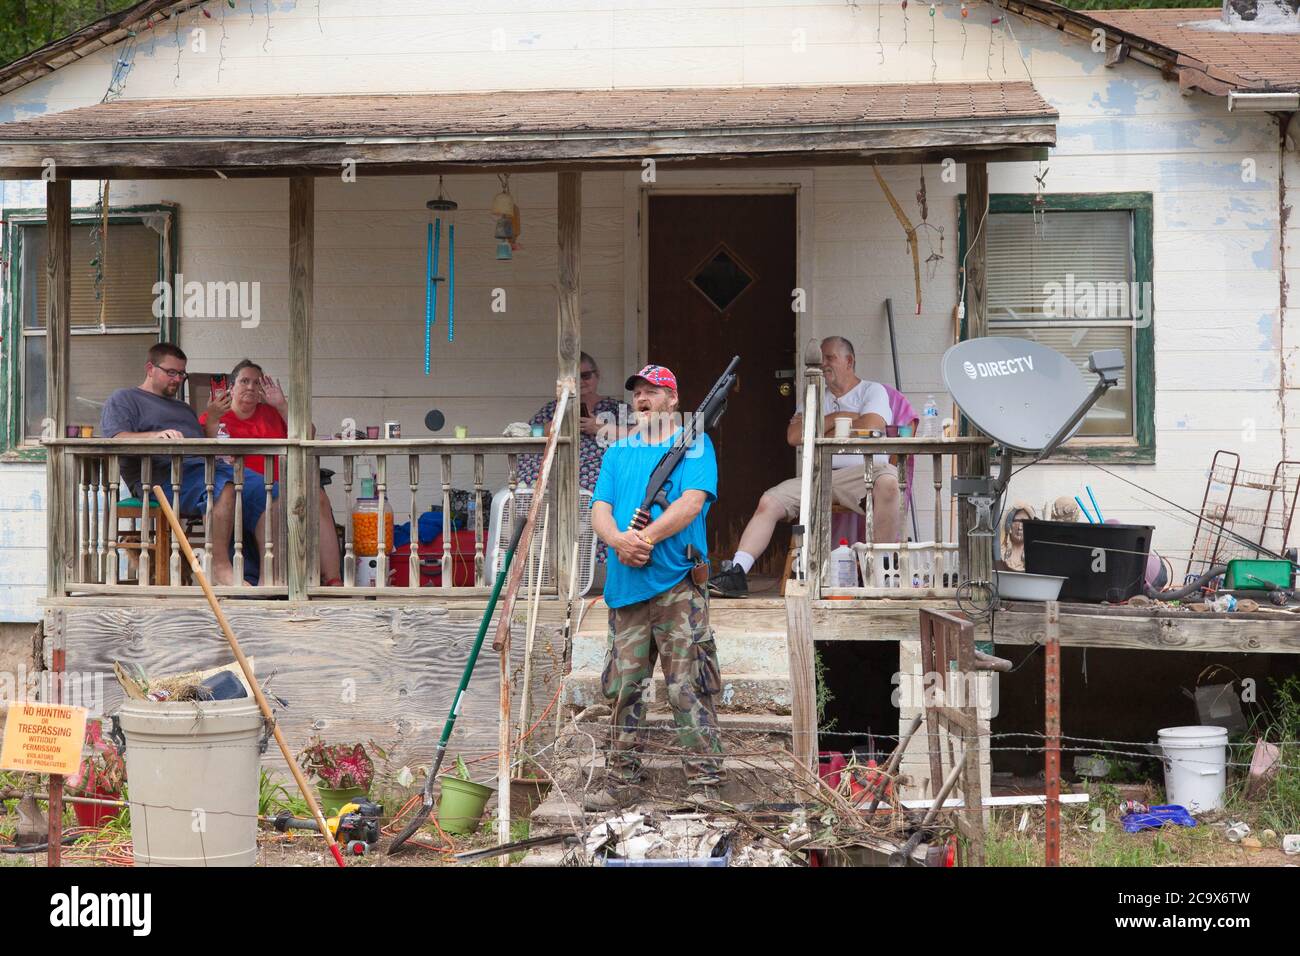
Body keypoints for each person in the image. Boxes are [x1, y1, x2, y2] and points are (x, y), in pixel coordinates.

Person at [586, 364, 724, 809]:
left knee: (687, 685)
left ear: (673, 399)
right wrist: (618, 540)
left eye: (653, 391)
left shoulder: (696, 447)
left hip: (677, 584)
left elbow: (691, 504)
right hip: (627, 586)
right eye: (638, 392)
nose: (642, 398)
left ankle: (705, 784)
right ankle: (622, 780)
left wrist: (644, 538)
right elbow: (598, 510)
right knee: (627, 688)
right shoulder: (616, 453)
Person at [709, 335, 899, 598]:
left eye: (830, 358)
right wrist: (841, 417)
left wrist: (820, 426)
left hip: (863, 474)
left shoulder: (872, 390)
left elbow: (871, 425)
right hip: (819, 474)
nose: (823, 364)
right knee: (769, 501)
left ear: (849, 361)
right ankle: (737, 573)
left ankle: (882, 572)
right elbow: (795, 436)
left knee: (889, 483)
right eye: (821, 359)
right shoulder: (814, 394)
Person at [100, 343, 267, 587]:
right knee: (224, 485)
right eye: (171, 372)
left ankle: (264, 577)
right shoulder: (125, 399)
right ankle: (220, 568)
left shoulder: (184, 408)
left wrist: (214, 425)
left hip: (201, 469)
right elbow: (115, 439)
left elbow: (203, 444)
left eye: (181, 374)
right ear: (150, 368)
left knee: (263, 487)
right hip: (161, 477)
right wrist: (154, 436)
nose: (177, 379)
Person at [198, 359, 343, 586]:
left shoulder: (271, 413)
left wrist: (282, 405)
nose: (251, 387)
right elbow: (207, 447)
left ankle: (333, 579)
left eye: (257, 383)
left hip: (283, 486)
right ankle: (271, 581)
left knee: (319, 496)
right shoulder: (216, 416)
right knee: (272, 499)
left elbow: (308, 433)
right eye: (244, 381)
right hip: (241, 490)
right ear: (231, 387)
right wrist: (214, 416)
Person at [517, 351, 626, 565]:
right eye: (576, 378)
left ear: (597, 376)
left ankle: (598, 567)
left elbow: (640, 436)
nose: (582, 382)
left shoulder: (617, 408)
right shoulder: (553, 408)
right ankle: (554, 566)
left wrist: (600, 427)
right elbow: (531, 433)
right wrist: (560, 420)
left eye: (586, 376)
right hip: (561, 479)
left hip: (602, 480)